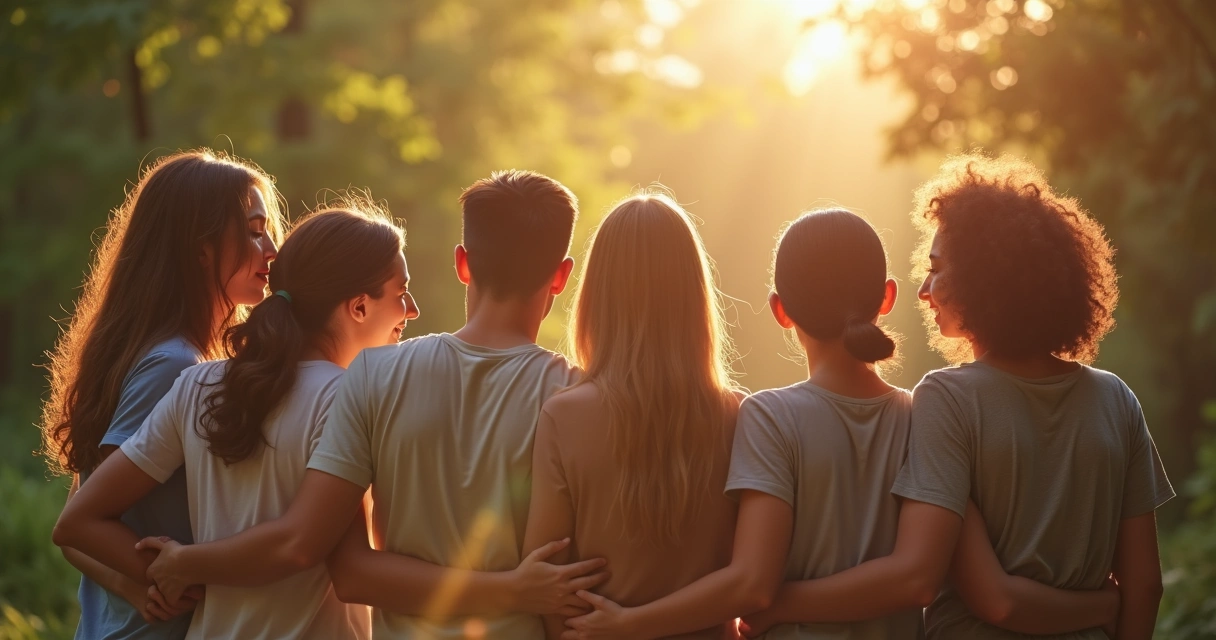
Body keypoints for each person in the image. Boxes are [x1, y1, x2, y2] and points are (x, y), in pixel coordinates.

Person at [129, 170, 607, 638]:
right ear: (562, 276)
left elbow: (352, 571)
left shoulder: (375, 375)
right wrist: (517, 593)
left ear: (462, 263)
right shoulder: (577, 398)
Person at [737, 155, 1170, 639]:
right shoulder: (1117, 400)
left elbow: (987, 598)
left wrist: (779, 604)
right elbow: (1146, 586)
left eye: (936, 269)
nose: (925, 290)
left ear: (985, 278)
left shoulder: (948, 398)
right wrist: (1103, 609)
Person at [55, 204, 415, 639]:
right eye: (401, 292)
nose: (411, 310)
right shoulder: (349, 397)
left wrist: (169, 574)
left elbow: (77, 521)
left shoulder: (197, 385)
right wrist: (179, 568)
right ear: (358, 306)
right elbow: (297, 544)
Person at [41, 149, 283, 639]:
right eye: (255, 230)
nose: (273, 249)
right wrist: (162, 580)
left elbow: (76, 520)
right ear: (201, 248)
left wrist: (132, 584)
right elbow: (82, 522)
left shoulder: (164, 353)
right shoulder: (174, 365)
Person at [521, 192, 744, 639]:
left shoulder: (564, 417)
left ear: (596, 295)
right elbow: (747, 577)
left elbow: (547, 584)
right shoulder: (740, 416)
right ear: (694, 295)